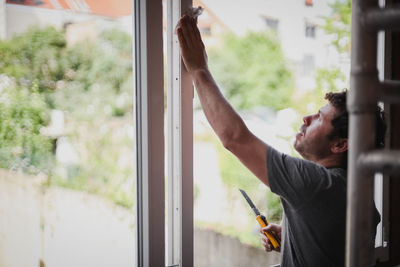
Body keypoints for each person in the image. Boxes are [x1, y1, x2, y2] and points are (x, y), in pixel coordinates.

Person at [176, 14, 385, 267]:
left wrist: (199, 69)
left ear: (340, 144)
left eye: (319, 118)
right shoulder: (353, 191)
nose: (306, 118)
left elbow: (235, 138)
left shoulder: (317, 184)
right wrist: (293, 237)